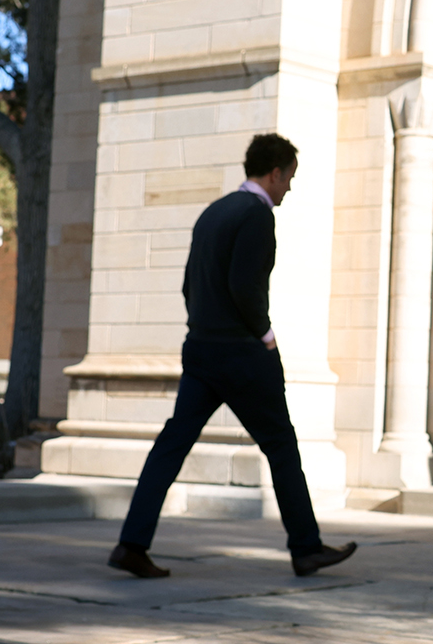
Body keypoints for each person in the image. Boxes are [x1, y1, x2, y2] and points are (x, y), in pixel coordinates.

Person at [110, 133, 354, 580]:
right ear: (275, 172)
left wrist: (207, 326)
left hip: (201, 350)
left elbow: (189, 286)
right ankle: (306, 547)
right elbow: (246, 287)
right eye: (290, 179)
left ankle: (131, 544)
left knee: (171, 447)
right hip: (241, 355)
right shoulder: (256, 215)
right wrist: (265, 336)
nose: (289, 189)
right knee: (281, 446)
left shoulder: (213, 212)